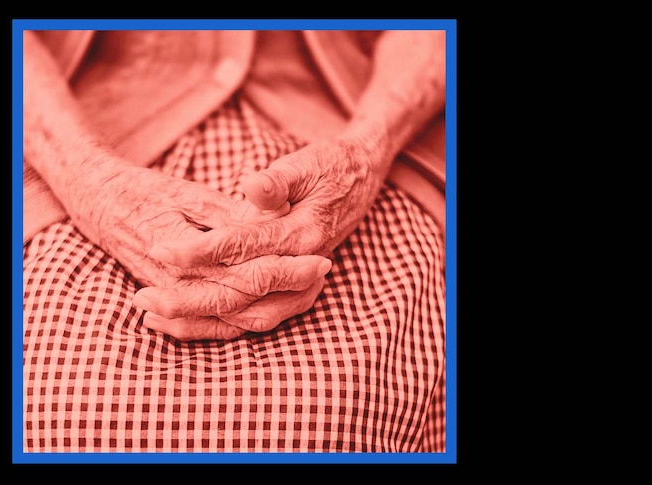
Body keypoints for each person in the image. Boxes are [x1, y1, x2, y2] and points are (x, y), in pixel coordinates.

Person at [22, 29, 446, 453]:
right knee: (62, 411)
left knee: (350, 414)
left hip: (357, 137)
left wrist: (367, 151)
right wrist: (89, 179)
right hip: (73, 143)